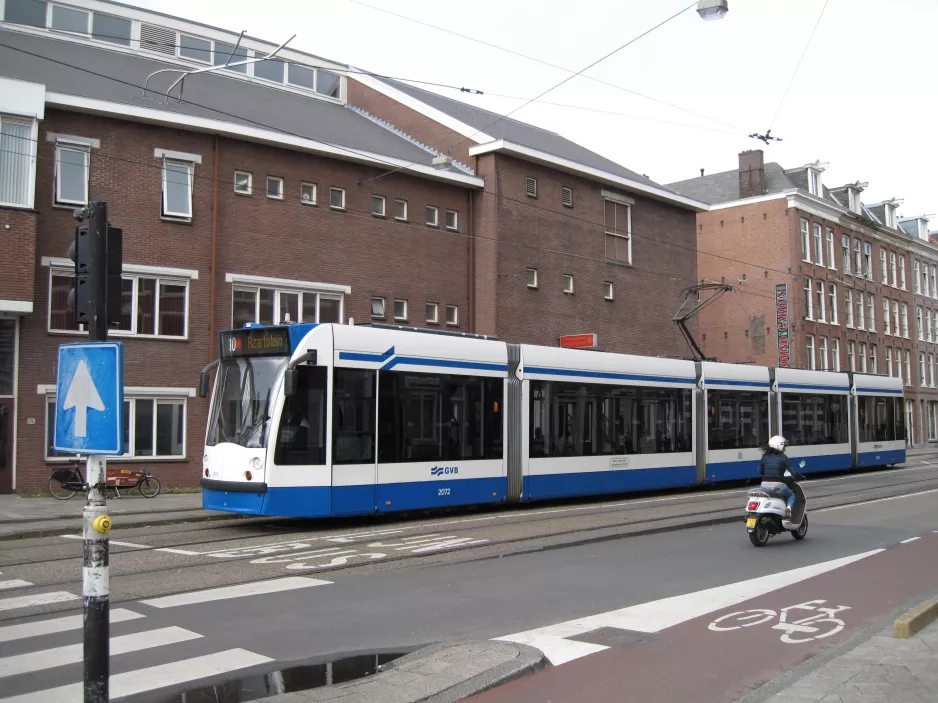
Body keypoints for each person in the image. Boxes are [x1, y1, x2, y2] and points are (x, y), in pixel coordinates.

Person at [759, 435, 797, 519]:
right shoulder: (783, 457)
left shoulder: (764, 456)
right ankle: (788, 509)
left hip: (764, 485)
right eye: (783, 446)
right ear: (779, 446)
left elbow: (760, 471)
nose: (784, 448)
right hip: (778, 485)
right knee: (791, 495)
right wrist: (799, 476)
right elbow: (793, 471)